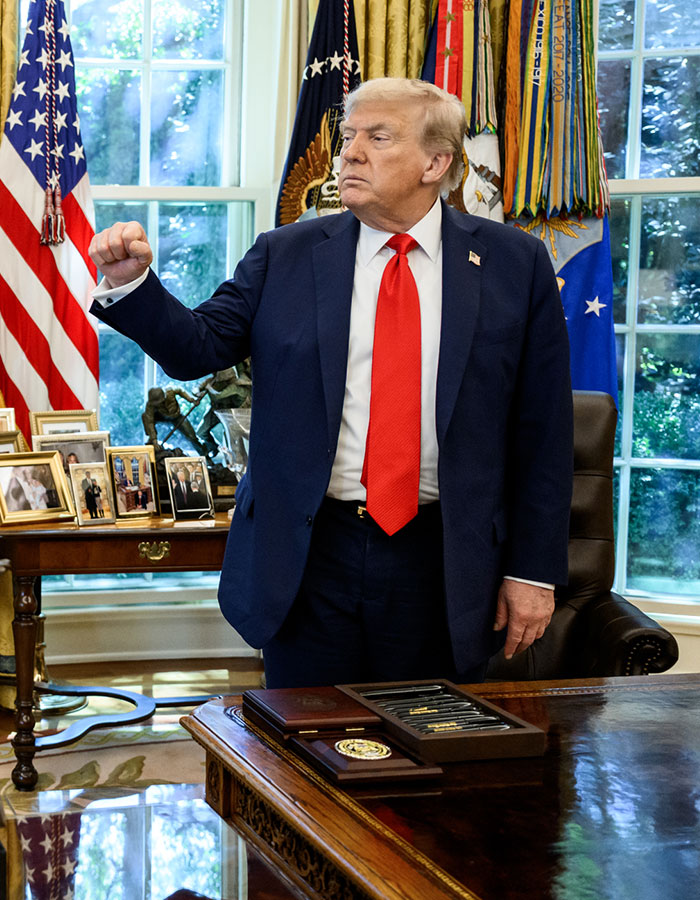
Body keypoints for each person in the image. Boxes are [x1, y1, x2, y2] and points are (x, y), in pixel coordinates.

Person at [89, 78, 573, 689]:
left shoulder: (514, 263)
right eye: (348, 137)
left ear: (436, 162)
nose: (350, 153)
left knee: (426, 758)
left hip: (445, 559)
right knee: (304, 757)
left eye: (378, 137)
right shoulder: (284, 254)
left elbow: (544, 432)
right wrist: (135, 285)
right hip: (310, 554)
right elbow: (198, 347)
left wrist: (533, 570)